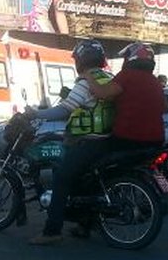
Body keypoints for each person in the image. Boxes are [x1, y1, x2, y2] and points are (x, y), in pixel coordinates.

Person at [28, 39, 114, 245]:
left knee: (61, 179)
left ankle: (52, 231)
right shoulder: (108, 77)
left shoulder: (85, 82)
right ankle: (84, 224)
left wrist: (36, 113)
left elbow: (64, 109)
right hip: (107, 141)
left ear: (81, 61)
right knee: (84, 181)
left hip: (88, 142)